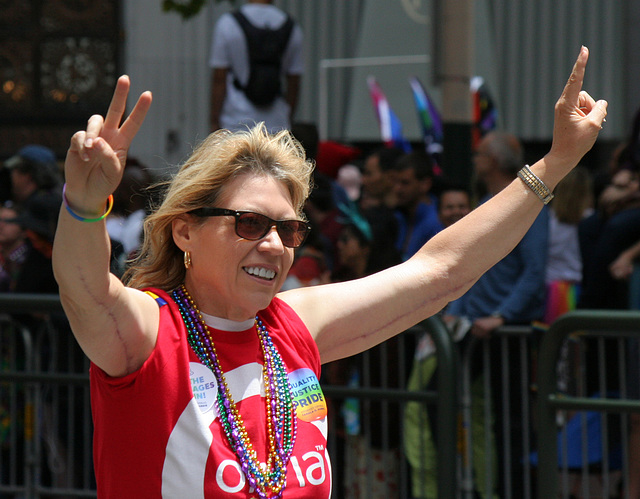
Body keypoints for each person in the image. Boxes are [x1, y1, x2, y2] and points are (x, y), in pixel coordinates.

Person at [51, 47, 606, 497]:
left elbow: (441, 272)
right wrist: (83, 202)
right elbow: (86, 292)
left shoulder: (294, 324)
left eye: (289, 230)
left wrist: (554, 163)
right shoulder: (149, 333)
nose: (273, 244)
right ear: (184, 231)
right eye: (249, 223)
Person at [445, 131, 550, 498]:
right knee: (445, 403)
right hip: (475, 326)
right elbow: (472, 267)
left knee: (511, 421)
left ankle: (512, 490)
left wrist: (503, 316)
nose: (475, 159)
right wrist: (456, 310)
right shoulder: (488, 203)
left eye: (480, 153)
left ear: (495, 160)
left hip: (507, 330)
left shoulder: (529, 202)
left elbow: (534, 272)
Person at [209, 0, 304, 133]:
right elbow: (294, 82)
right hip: (276, 123)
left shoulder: (227, 23)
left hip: (236, 122)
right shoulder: (292, 27)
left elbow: (219, 79)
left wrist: (214, 122)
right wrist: (287, 118)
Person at [393, 150, 442, 261]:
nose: (397, 189)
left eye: (405, 183)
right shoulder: (401, 217)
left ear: (425, 184)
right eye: (396, 182)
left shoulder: (436, 222)